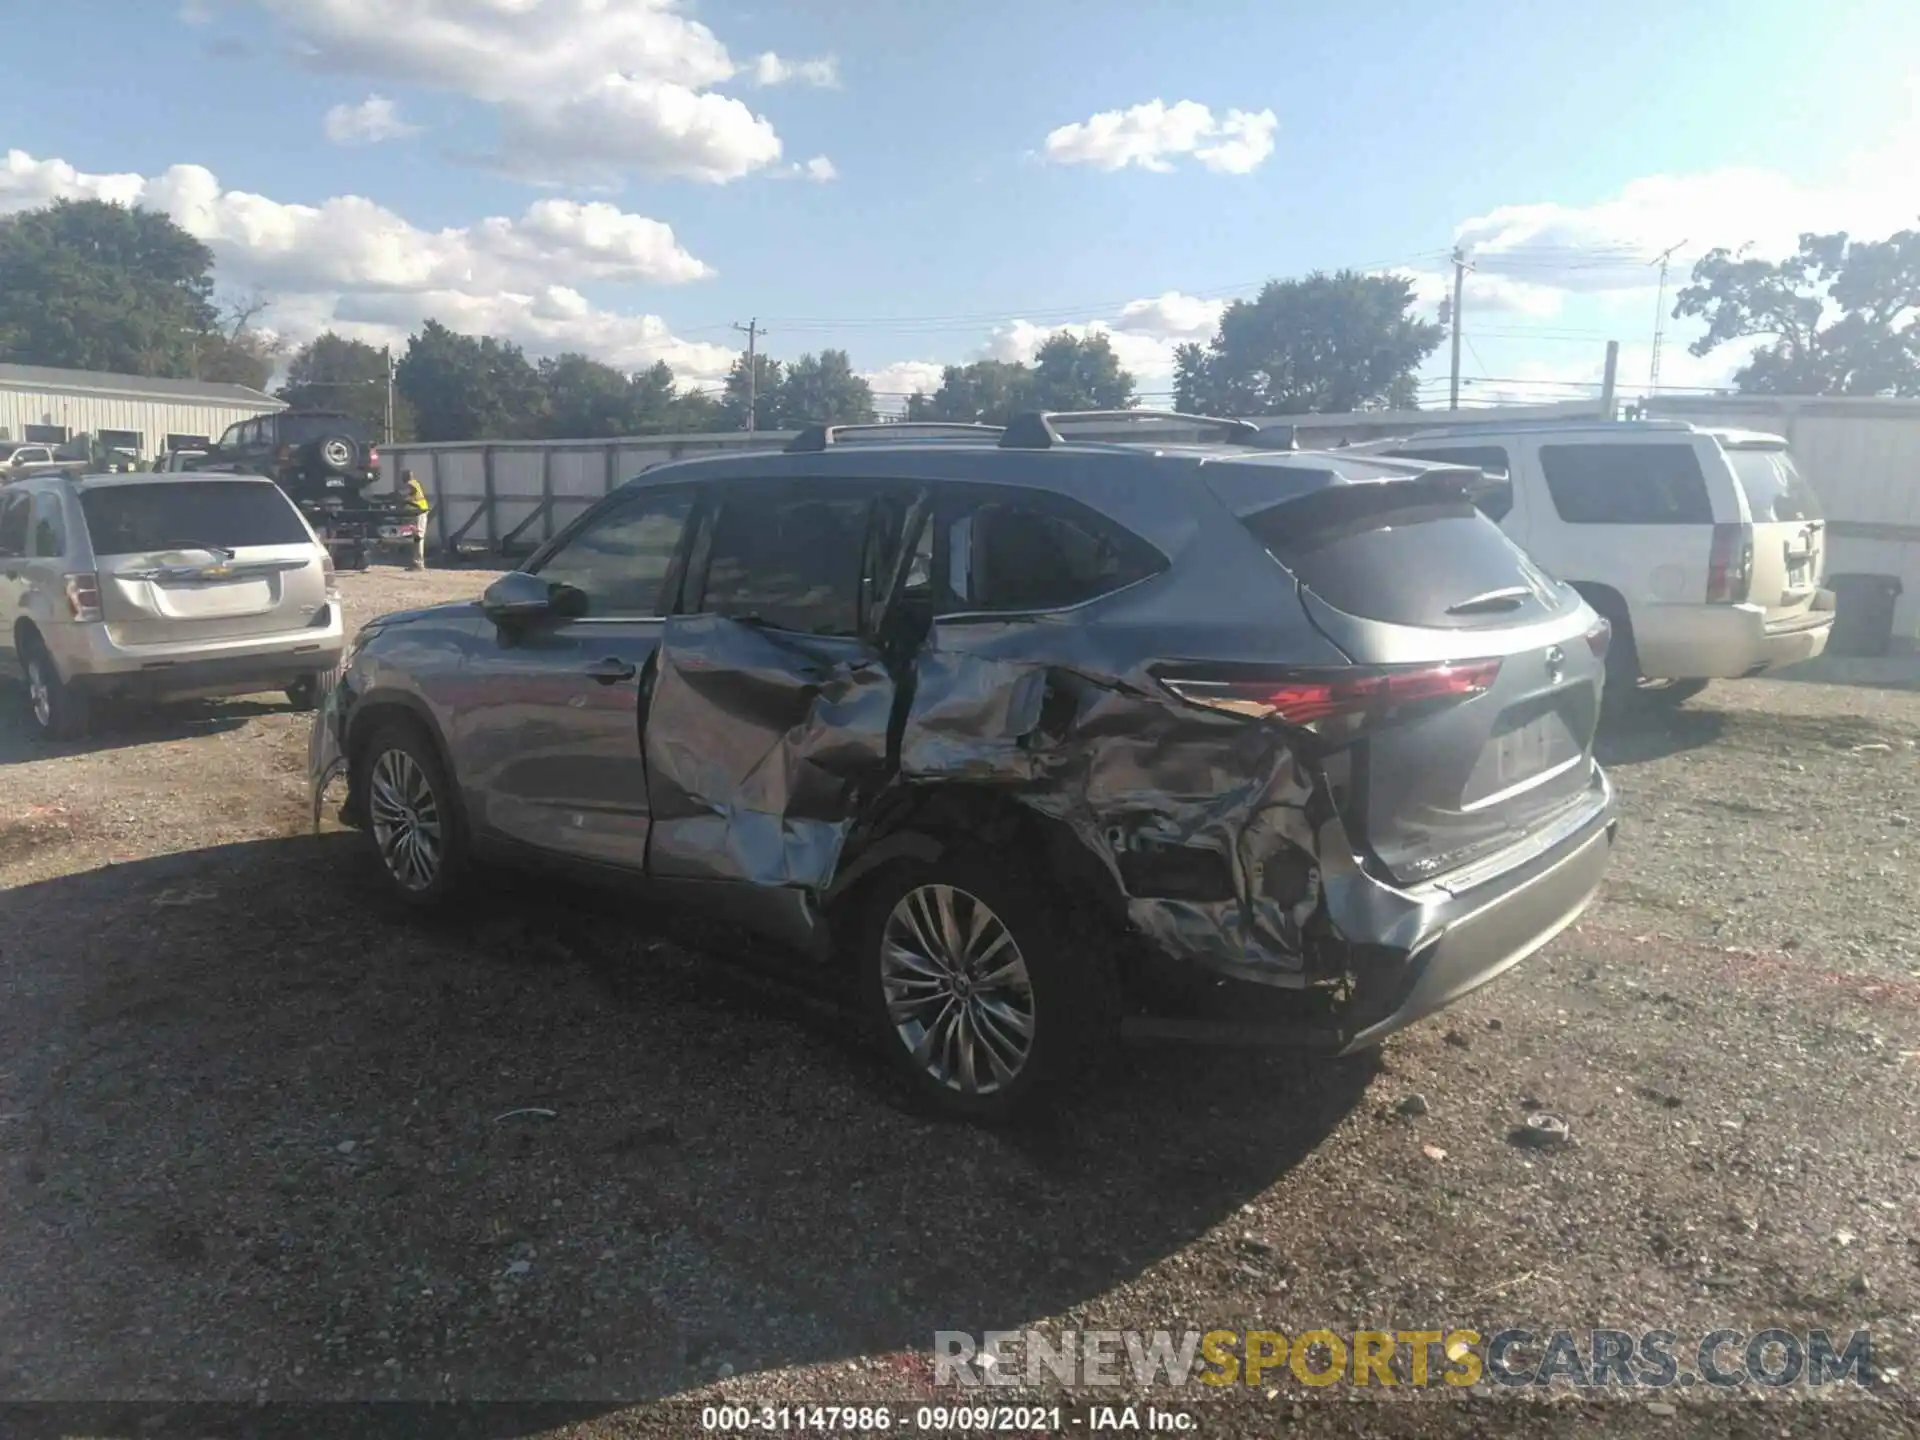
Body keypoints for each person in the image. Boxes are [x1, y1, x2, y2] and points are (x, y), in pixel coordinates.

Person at [399, 469, 430, 570]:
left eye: (403, 476)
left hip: (419, 511)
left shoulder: (410, 484)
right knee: (416, 537)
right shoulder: (415, 483)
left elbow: (404, 495)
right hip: (417, 512)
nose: (402, 478)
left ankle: (418, 563)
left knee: (418, 537)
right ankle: (416, 562)